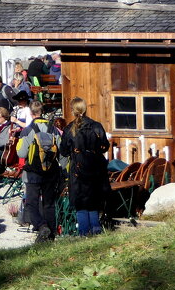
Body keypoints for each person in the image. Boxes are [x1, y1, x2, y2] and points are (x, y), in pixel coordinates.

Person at [59, 97, 111, 236]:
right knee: (93, 199)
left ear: (72, 110)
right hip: (95, 167)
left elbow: (63, 150)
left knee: (80, 202)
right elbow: (105, 146)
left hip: (78, 169)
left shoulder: (70, 128)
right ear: (85, 109)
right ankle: (96, 229)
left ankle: (83, 232)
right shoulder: (96, 126)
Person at [16, 100, 62, 241]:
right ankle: (51, 235)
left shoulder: (28, 130)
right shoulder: (53, 129)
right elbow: (61, 151)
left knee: (31, 203)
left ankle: (42, 227)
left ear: (31, 113)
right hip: (50, 171)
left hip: (33, 173)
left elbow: (21, 153)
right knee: (49, 203)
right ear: (42, 111)